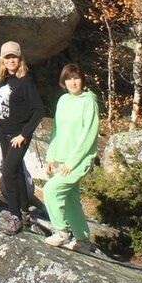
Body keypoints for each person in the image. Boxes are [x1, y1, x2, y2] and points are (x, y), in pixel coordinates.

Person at [42, 63, 100, 253]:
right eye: (68, 78)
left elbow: (88, 135)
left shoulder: (88, 101)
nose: (72, 82)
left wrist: (71, 163)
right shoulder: (63, 101)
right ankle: (82, 240)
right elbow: (57, 131)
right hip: (62, 159)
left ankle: (61, 232)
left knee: (51, 190)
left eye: (76, 78)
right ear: (63, 81)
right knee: (70, 200)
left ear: (82, 79)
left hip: (78, 161)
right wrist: (51, 156)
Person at [0, 40, 46, 235]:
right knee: (15, 173)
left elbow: (39, 110)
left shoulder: (26, 81)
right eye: (7, 57)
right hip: (4, 134)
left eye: (14, 56)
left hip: (18, 137)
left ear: (20, 58)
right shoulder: (4, 80)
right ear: (2, 60)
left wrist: (24, 134)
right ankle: (25, 212)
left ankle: (14, 216)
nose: (11, 60)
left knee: (8, 173)